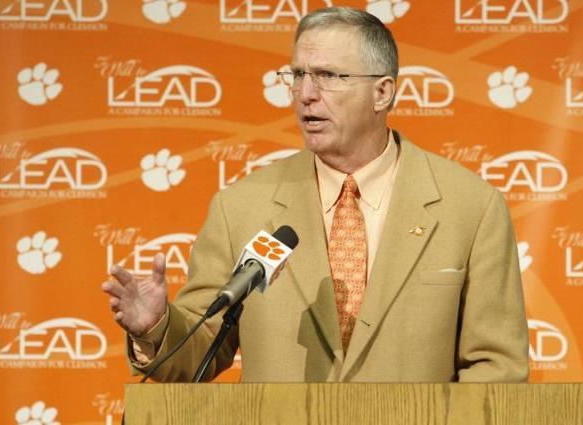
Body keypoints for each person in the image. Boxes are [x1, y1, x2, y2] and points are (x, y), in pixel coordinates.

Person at [102, 6, 528, 383]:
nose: (305, 93)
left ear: (383, 92)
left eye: (327, 76)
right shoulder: (240, 207)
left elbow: (496, 368)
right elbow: (199, 350)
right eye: (297, 75)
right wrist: (155, 327)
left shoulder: (470, 207)